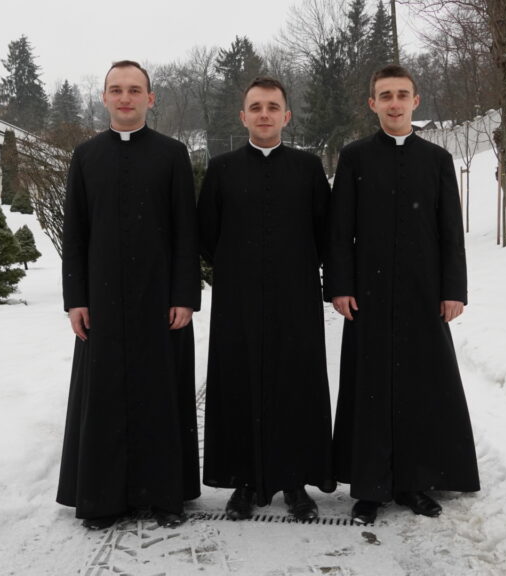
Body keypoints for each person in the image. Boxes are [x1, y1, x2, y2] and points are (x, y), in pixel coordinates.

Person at [326, 64, 480, 525]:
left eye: (401, 95)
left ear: (415, 101)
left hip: (423, 292)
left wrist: (454, 289)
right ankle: (369, 487)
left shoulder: (437, 160)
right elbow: (340, 230)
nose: (394, 103)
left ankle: (415, 481)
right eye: (385, 95)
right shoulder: (354, 158)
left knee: (421, 387)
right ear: (372, 103)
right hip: (367, 296)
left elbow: (450, 232)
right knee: (369, 388)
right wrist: (340, 286)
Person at [57, 60, 201, 530]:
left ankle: (163, 493)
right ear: (104, 97)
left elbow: (186, 231)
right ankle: (102, 498)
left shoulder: (172, 154)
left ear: (150, 98)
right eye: (116, 89)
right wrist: (76, 299)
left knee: (161, 395)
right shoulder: (86, 156)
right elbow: (75, 233)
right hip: (101, 301)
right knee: (103, 398)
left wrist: (184, 295)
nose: (125, 97)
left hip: (160, 299)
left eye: (135, 90)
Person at [198, 76, 334, 522]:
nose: (264, 114)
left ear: (286, 116)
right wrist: (239, 265)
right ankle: (244, 481)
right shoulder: (221, 169)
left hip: (296, 296)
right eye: (256, 107)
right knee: (239, 383)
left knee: (295, 384)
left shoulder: (308, 168)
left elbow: (325, 230)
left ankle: (295, 482)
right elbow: (207, 233)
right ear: (243, 116)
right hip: (237, 297)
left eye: (273, 107)